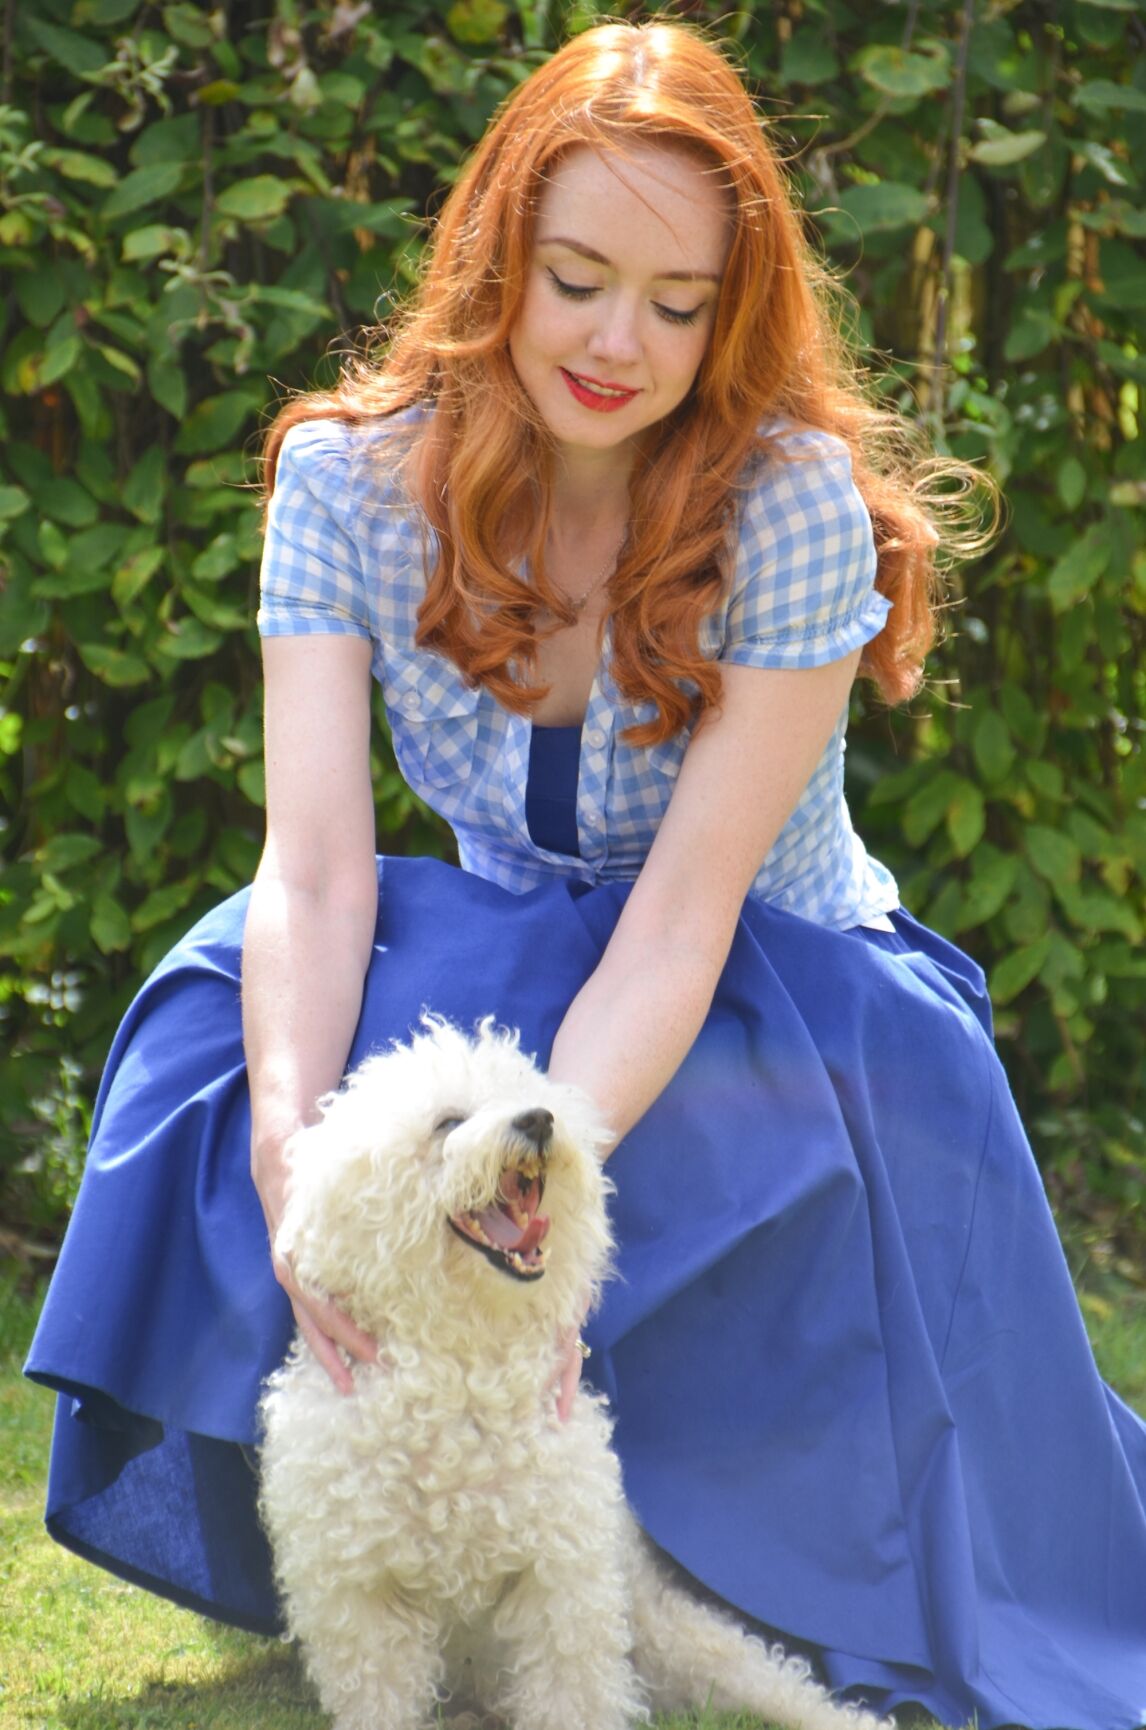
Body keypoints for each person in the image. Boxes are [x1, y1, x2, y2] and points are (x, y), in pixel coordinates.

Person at [25, 21, 1146, 1730]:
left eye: (677, 304)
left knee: (703, 1140)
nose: (621, 343)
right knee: (219, 1035)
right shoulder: (342, 479)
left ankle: (711, 1565)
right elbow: (314, 874)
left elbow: (686, 919)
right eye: (576, 281)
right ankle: (396, 1551)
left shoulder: (789, 506)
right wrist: (290, 1164)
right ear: (497, 259)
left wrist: (541, 1220)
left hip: (785, 982)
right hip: (508, 952)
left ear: (731, 314)